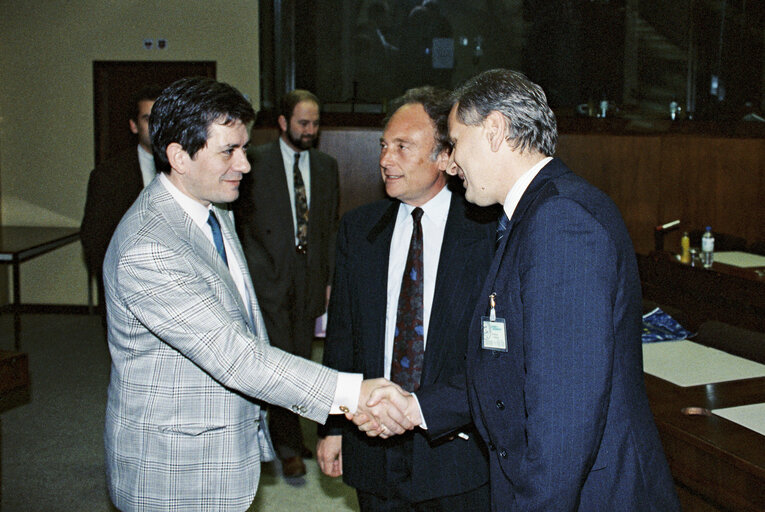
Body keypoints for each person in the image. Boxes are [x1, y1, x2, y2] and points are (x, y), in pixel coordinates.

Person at [358, 69, 681, 511]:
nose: (451, 163)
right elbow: (508, 367)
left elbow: (565, 417)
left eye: (455, 142)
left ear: (493, 131)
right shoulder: (536, 213)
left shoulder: (560, 222)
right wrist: (417, 407)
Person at [103, 76, 413, 512]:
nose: (245, 165)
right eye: (228, 150)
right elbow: (236, 356)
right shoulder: (150, 248)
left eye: (244, 148)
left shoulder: (212, 208)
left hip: (220, 453)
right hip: (176, 470)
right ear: (178, 156)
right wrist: (353, 394)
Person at [316, 87, 493, 511]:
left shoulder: (487, 234)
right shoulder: (358, 230)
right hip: (371, 444)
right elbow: (342, 335)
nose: (385, 159)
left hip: (457, 455)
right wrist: (333, 426)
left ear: (446, 157)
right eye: (383, 145)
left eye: (403, 146)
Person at [234, 89, 339, 478]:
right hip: (268, 279)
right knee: (277, 361)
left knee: (299, 357)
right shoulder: (255, 161)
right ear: (282, 123)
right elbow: (241, 223)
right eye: (302, 123)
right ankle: (288, 446)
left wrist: (329, 280)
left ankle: (292, 435)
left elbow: (329, 228)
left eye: (315, 124)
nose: (310, 130)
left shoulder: (327, 166)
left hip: (309, 279)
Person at [80, 84, 163, 319]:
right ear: (134, 125)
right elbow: (94, 236)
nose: (156, 127)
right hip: (127, 285)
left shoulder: (187, 168)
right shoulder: (108, 175)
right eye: (148, 119)